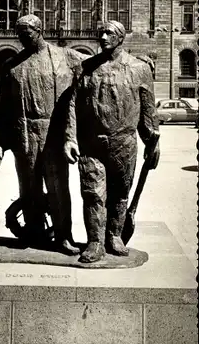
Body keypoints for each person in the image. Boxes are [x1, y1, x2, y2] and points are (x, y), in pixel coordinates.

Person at [0, 14, 88, 255]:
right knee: (28, 188)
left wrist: (134, 61)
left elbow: (94, 65)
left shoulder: (64, 56)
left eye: (27, 34)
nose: (23, 39)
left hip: (54, 134)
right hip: (24, 133)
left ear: (39, 30)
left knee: (58, 188)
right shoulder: (12, 65)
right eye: (20, 35)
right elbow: (3, 109)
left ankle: (64, 236)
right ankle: (33, 232)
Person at [64, 20, 160, 263]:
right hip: (91, 143)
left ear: (121, 38)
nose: (103, 37)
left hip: (124, 142)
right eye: (101, 33)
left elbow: (148, 108)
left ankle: (114, 236)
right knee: (93, 193)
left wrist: (152, 140)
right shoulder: (84, 68)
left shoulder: (139, 68)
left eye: (109, 33)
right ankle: (95, 242)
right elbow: (72, 105)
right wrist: (69, 138)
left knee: (120, 192)